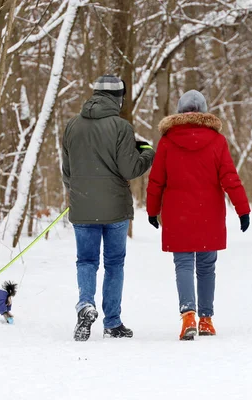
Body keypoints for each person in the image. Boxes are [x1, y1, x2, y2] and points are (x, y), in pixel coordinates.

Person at [146, 90, 250, 341]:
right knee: (206, 266)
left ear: (180, 113)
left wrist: (152, 210)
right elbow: (229, 177)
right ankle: (206, 319)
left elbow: (157, 180)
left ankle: (188, 316)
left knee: (183, 264)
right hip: (209, 213)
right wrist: (242, 209)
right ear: (203, 112)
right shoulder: (216, 141)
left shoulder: (168, 141)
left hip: (176, 212)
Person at [62, 75, 155, 341]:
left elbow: (67, 173)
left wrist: (81, 191)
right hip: (115, 208)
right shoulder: (121, 127)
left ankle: (85, 305)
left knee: (86, 261)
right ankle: (112, 322)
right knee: (114, 264)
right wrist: (147, 151)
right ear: (119, 98)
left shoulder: (72, 125)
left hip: (82, 206)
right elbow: (131, 168)